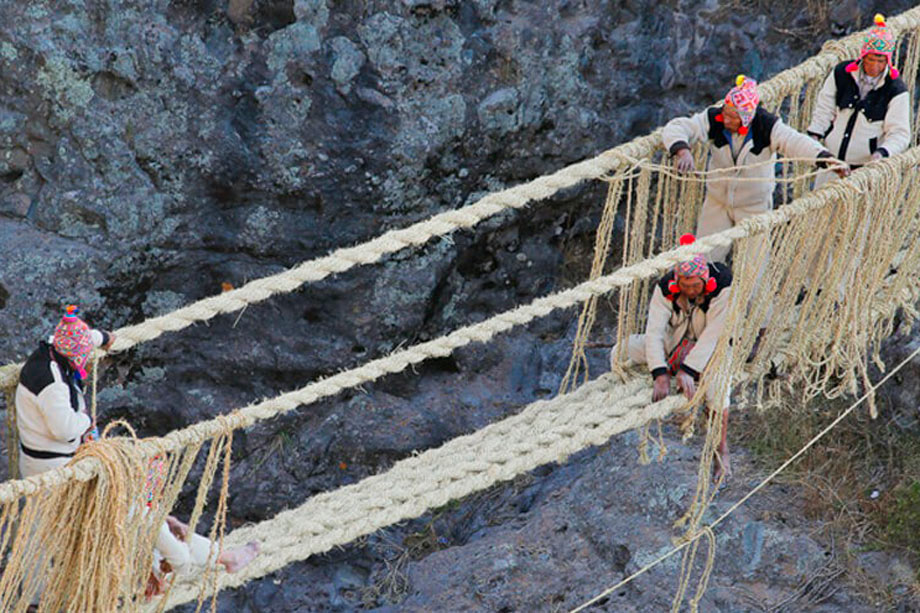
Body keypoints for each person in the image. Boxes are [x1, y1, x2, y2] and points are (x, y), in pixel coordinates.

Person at [662, 75, 846, 263]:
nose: (724, 119)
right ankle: (709, 292)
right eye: (724, 112)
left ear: (746, 118)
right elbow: (679, 126)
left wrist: (825, 159)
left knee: (753, 266)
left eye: (732, 117)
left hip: (754, 207)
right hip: (717, 202)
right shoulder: (714, 119)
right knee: (704, 260)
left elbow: (795, 142)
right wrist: (681, 150)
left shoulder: (766, 127)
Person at [610, 234, 733, 479]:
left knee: (717, 390)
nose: (689, 291)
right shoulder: (666, 288)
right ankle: (659, 372)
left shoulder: (723, 285)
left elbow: (714, 334)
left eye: (694, 286)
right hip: (675, 342)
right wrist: (660, 373)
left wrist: (689, 370)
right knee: (621, 351)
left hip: (712, 348)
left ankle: (721, 449)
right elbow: (654, 331)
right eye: (684, 286)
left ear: (705, 279)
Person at [807, 14, 910, 187]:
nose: (875, 66)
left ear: (888, 61)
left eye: (881, 60)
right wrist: (815, 135)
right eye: (871, 59)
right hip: (831, 165)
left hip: (864, 173)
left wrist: (883, 153)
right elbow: (824, 108)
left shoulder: (895, 90)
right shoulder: (841, 74)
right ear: (863, 56)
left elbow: (900, 133)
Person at [15, 305, 115, 478]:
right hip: (49, 469)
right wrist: (87, 420)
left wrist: (104, 337)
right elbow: (64, 430)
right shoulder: (52, 384)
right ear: (74, 357)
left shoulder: (53, 350)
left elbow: (80, 339)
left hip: (40, 458)